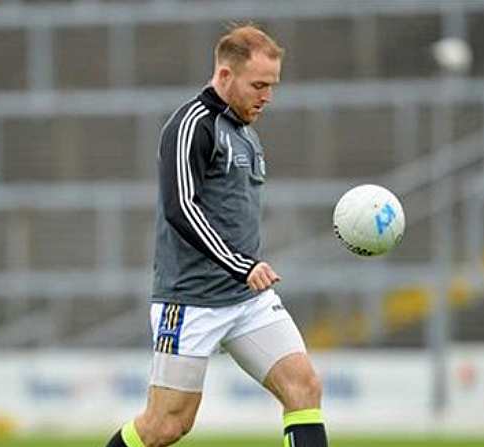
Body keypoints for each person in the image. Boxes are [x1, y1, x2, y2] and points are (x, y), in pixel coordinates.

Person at [106, 24, 328, 447]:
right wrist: (242, 265)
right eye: (258, 85)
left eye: (272, 86)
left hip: (248, 301)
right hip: (190, 302)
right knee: (165, 427)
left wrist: (244, 274)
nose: (267, 96)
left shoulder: (246, 131)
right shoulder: (190, 125)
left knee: (304, 388)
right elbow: (181, 209)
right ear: (225, 76)